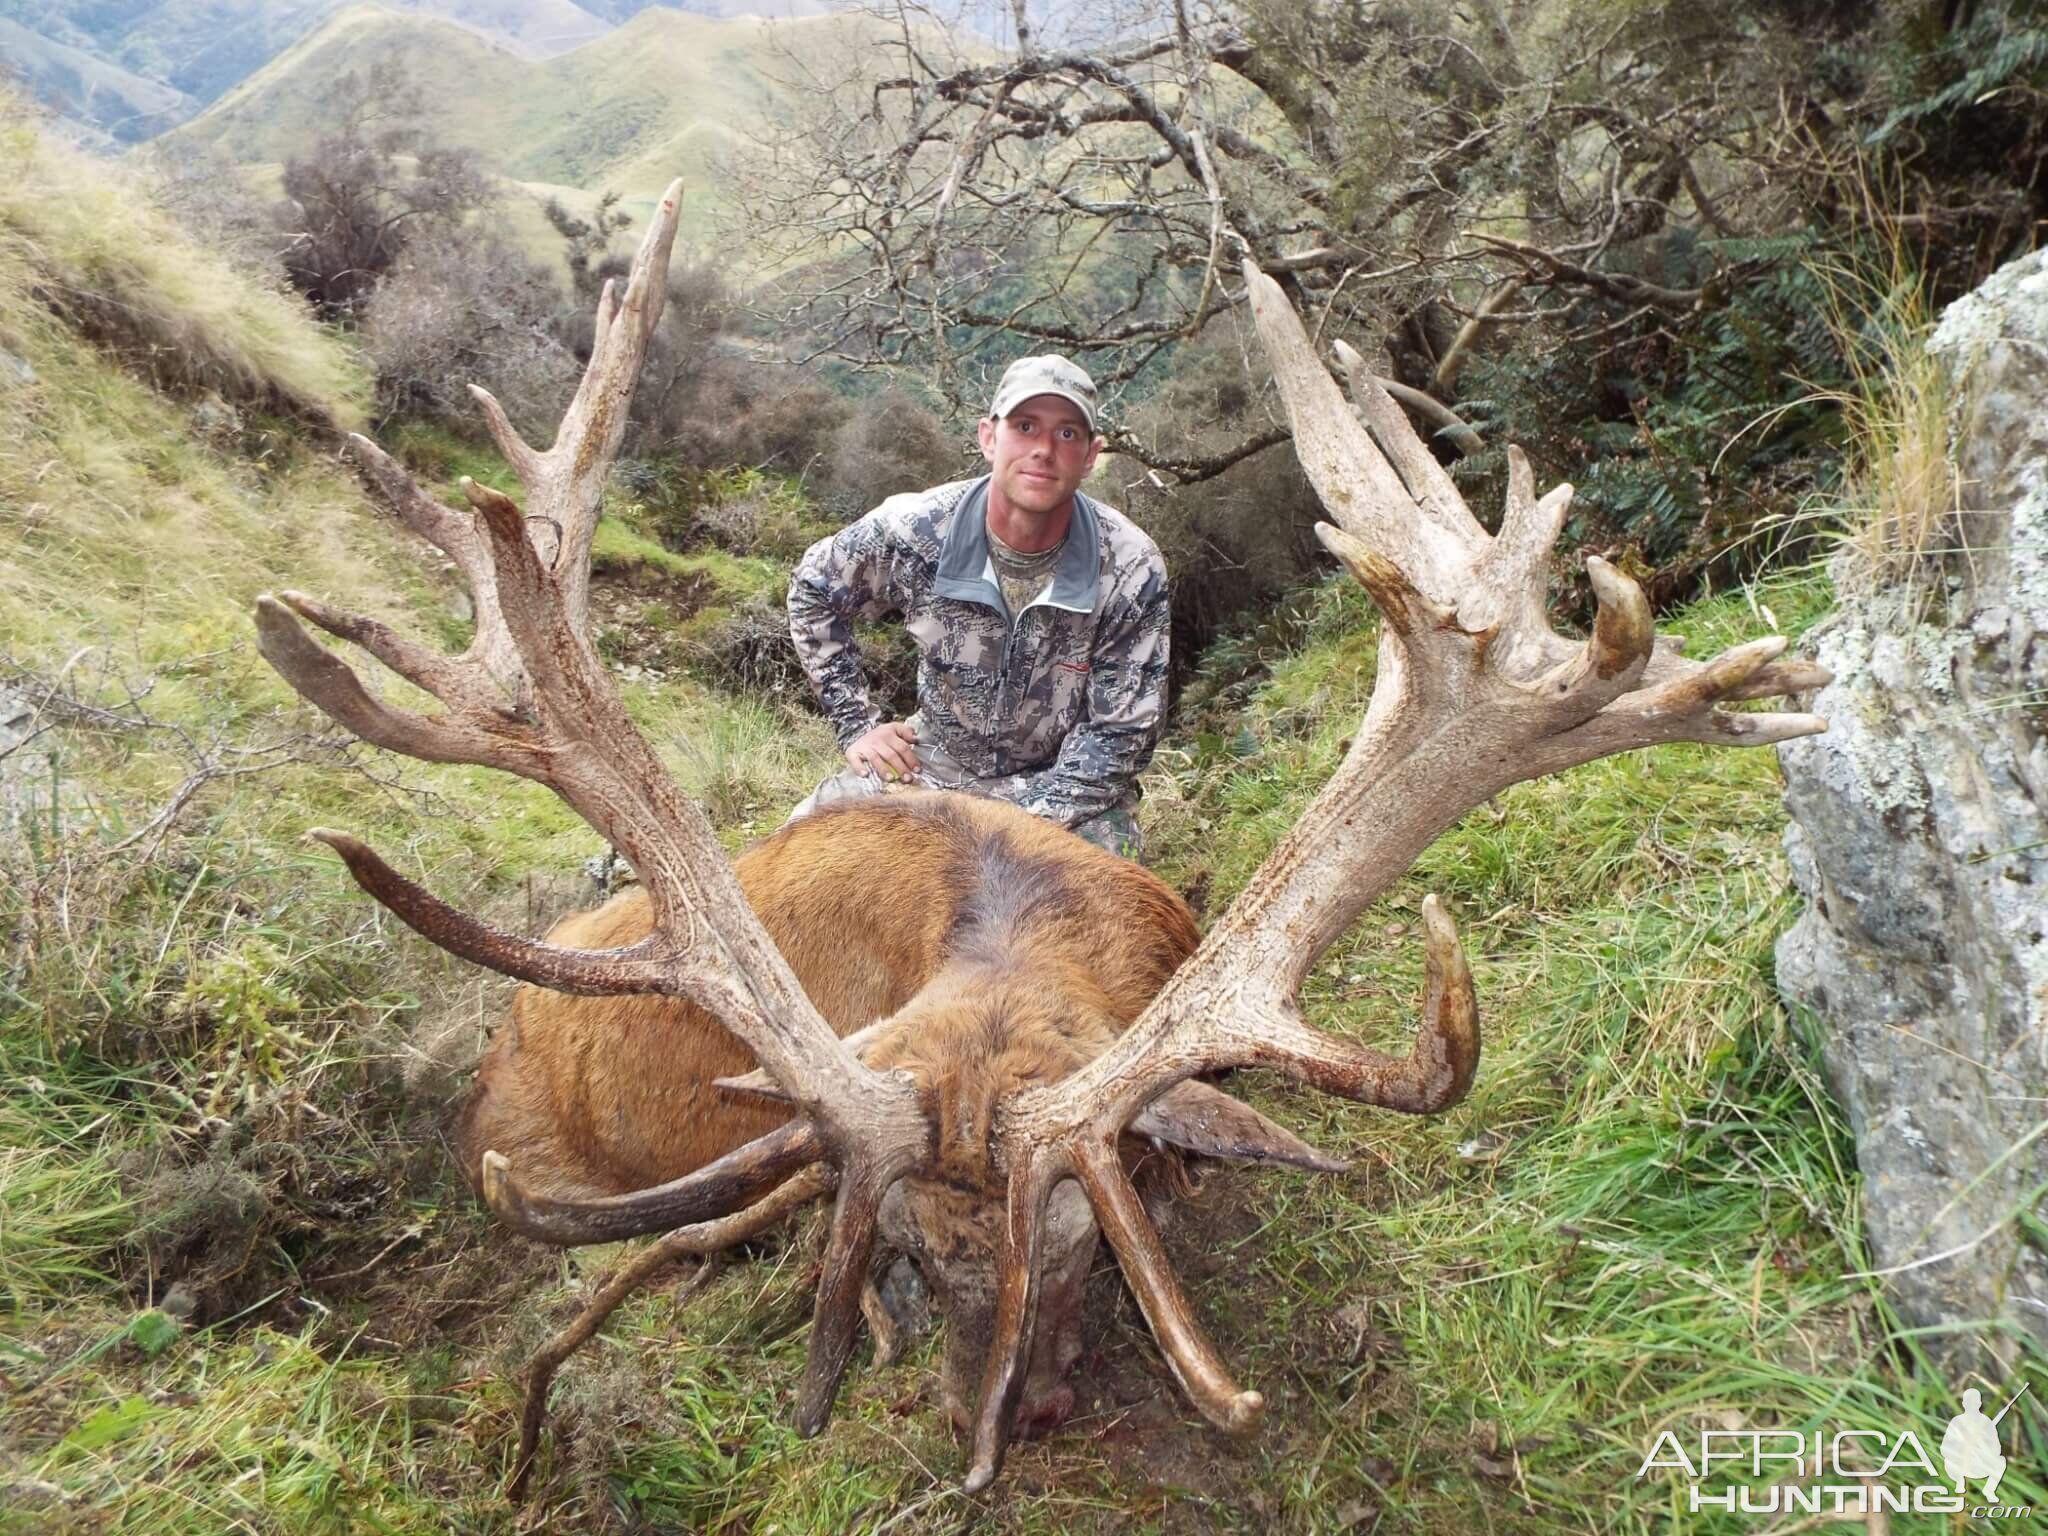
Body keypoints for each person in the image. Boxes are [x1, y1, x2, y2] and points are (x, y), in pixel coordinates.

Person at [786, 354, 1169, 858]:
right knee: (796, 855)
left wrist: (1007, 829)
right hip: (932, 766)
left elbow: (1119, 735)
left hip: (1066, 794)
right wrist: (856, 724)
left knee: (1099, 913)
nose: (1044, 450)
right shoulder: (914, 530)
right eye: (1026, 426)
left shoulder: (1130, 567)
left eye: (1068, 434)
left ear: (1092, 455)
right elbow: (813, 590)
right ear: (989, 437)